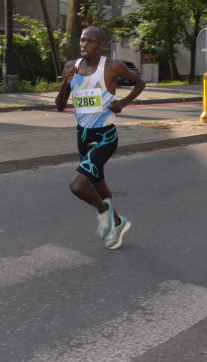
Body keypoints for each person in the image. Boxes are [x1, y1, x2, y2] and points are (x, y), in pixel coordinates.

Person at [55, 26, 146, 249]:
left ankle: (104, 212)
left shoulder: (112, 67)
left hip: (105, 136)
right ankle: (118, 223)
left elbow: (139, 83)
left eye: (90, 41)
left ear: (101, 45)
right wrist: (65, 84)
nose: (84, 44)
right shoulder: (71, 67)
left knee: (77, 185)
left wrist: (122, 103)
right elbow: (59, 106)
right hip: (83, 137)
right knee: (99, 186)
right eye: (82, 40)